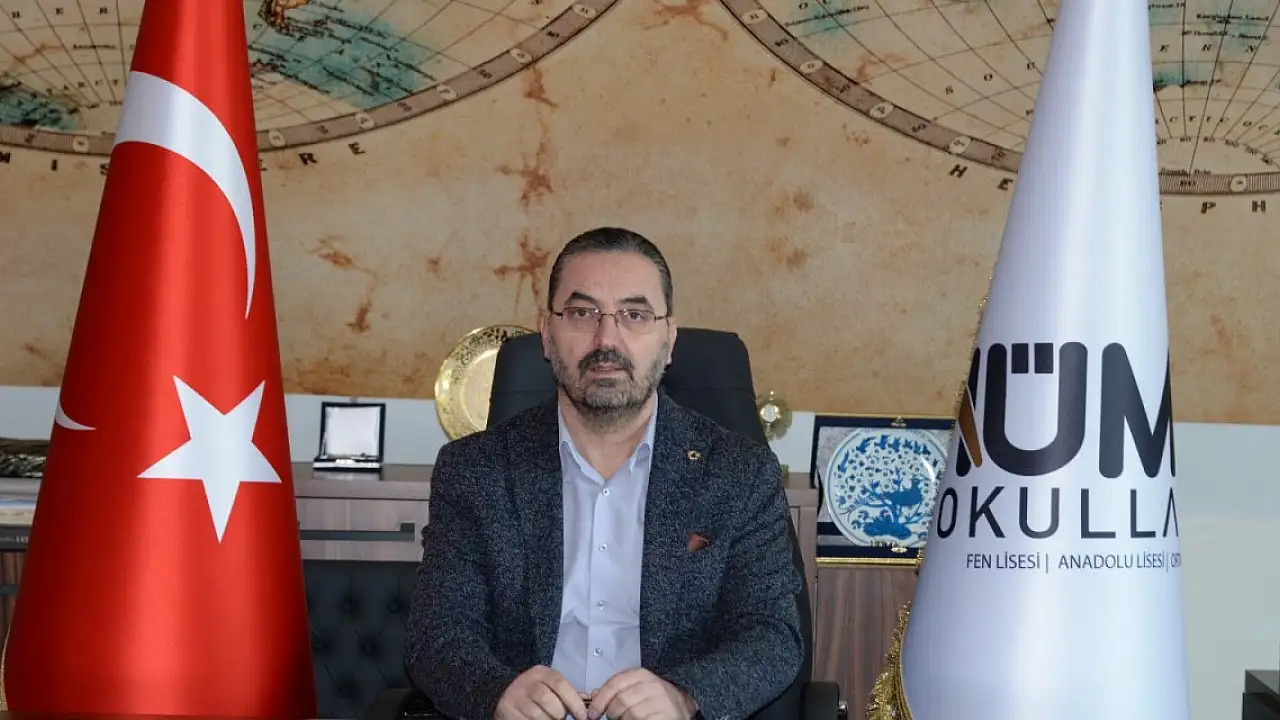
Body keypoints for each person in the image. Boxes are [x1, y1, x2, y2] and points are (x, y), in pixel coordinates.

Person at [406, 227, 803, 720]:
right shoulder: (475, 471)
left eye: (634, 315)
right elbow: (437, 634)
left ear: (668, 339)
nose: (606, 339)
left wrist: (684, 696)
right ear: (547, 334)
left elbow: (771, 635)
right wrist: (497, 692)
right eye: (582, 313)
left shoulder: (739, 473)